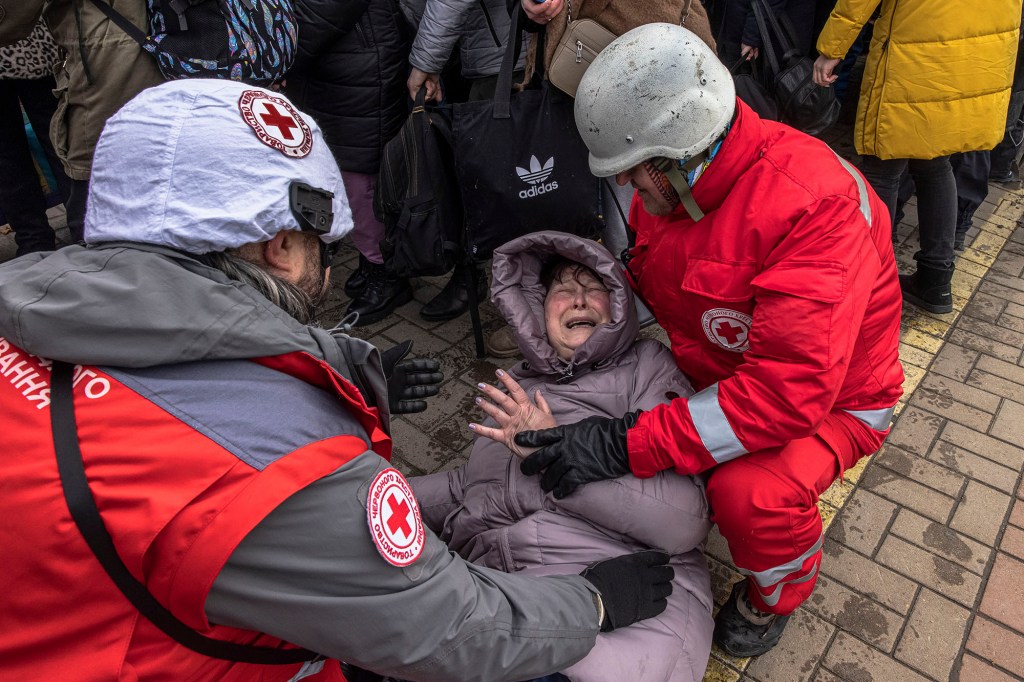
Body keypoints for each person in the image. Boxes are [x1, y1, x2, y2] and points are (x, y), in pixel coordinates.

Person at [0, 79, 675, 681]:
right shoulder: (292, 464)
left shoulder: (23, 312)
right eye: (327, 248)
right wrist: (591, 602)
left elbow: (197, 350)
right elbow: (447, 630)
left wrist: (355, 371)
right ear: (283, 246)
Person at [510, 24, 906, 658]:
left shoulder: (814, 209)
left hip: (833, 403)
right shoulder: (672, 194)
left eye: (634, 175)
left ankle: (778, 590)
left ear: (677, 157)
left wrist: (626, 442)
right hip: (724, 374)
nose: (626, 191)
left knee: (750, 496)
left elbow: (786, 394)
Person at [411, 231, 714, 682]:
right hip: (497, 594)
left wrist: (561, 451)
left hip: (616, 592)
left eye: (595, 288)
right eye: (563, 289)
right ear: (537, 308)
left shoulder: (648, 368)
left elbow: (684, 519)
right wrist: (369, 493)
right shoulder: (520, 380)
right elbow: (471, 485)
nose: (579, 300)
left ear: (617, 306)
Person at [483, 0, 718, 360]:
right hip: (572, 65)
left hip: (647, 55)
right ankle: (562, 313)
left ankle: (637, 311)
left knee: (645, 201)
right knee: (575, 197)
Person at [813, 0, 1020, 314]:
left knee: (882, 168)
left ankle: (868, 279)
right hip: (973, 62)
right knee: (934, 163)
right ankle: (935, 281)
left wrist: (832, 48)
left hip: (912, 56)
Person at [285, 0, 415, 326]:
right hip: (338, 74)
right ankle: (371, 262)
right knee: (345, 180)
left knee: (360, 187)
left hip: (358, 78)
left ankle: (387, 276)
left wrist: (271, 49)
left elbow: (315, 18)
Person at [0, 0, 163, 244]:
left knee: (83, 167)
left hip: (102, 59)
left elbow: (15, 17)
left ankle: (93, 253)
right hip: (157, 44)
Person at [0, 19, 70, 256]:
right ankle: (84, 224)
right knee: (56, 135)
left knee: (55, 135)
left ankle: (35, 240)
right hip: (28, 34)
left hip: (27, 32)